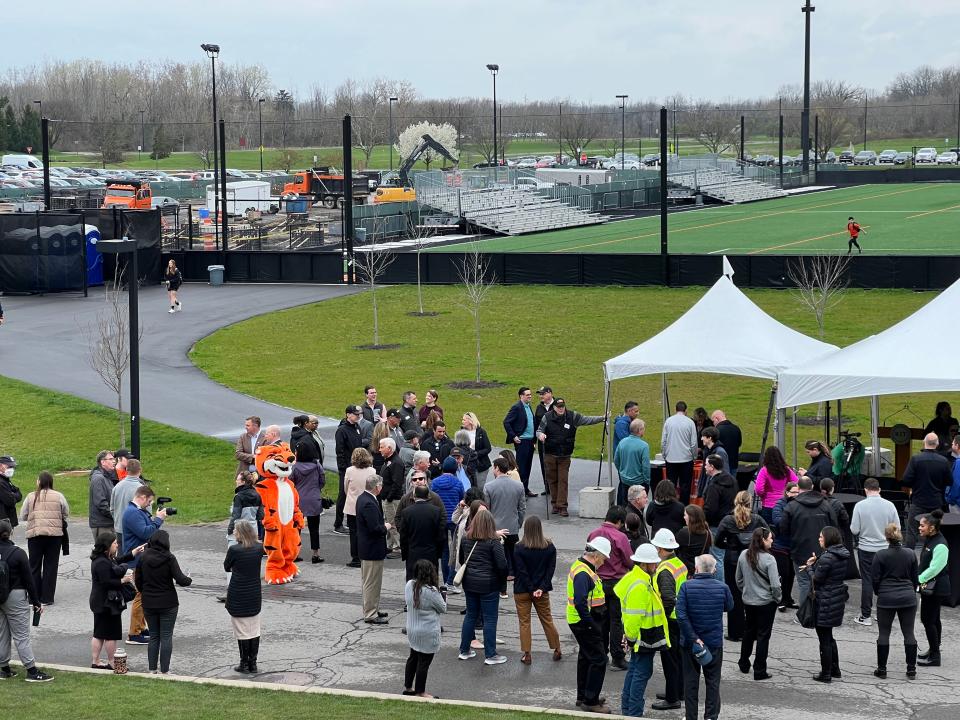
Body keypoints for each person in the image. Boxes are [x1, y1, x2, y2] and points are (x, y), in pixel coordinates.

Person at [675, 554, 733, 720]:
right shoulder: (723, 588)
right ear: (714, 569)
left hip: (690, 643)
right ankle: (711, 716)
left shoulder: (686, 587)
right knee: (713, 682)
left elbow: (681, 615)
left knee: (691, 683)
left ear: (697, 568)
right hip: (713, 642)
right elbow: (729, 606)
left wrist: (693, 638)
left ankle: (691, 716)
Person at [616, 543, 669, 718]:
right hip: (643, 637)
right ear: (644, 564)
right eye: (653, 563)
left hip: (641, 636)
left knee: (634, 672)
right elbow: (634, 616)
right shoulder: (641, 585)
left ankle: (627, 710)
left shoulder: (636, 577)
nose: (656, 565)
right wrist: (630, 638)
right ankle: (634, 713)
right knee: (641, 674)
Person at [0, 519, 53, 682]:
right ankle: (31, 670)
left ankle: (4, 668)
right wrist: (36, 601)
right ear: (10, 533)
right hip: (15, 595)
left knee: (2, 633)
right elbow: (29, 580)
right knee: (21, 635)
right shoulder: (17, 553)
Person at [135, 530, 192, 674]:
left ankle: (152, 669)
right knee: (166, 636)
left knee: (154, 636)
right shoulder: (169, 558)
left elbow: (138, 582)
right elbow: (181, 580)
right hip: (168, 602)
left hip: (149, 602)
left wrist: (146, 592)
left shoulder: (143, 558)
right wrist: (189, 578)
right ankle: (165, 671)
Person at [457, 508, 509, 665]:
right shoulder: (493, 542)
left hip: (469, 583)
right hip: (489, 584)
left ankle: (464, 650)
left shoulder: (466, 538)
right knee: (490, 619)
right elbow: (502, 566)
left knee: (471, 615)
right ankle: (490, 654)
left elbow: (461, 558)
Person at [566, 537, 612, 713]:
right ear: (597, 556)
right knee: (599, 659)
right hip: (584, 622)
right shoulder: (584, 573)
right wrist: (591, 624)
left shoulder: (582, 568)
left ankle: (583, 696)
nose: (605, 561)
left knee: (586, 657)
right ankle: (590, 701)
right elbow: (580, 602)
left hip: (581, 621)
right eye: (604, 558)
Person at [716, 491, 769, 642]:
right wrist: (757, 545)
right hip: (753, 558)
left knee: (734, 594)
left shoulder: (728, 520)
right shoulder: (757, 519)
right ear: (749, 503)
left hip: (733, 559)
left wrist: (729, 545)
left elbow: (718, 540)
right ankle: (754, 630)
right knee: (755, 592)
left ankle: (735, 631)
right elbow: (769, 535)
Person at [587, 506, 634, 672]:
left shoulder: (593, 534)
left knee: (600, 620)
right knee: (616, 621)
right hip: (616, 583)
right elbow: (629, 561)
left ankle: (601, 653)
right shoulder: (620, 537)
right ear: (620, 522)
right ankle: (618, 657)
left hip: (597, 582)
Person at [779, 476, 838, 607]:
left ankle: (805, 614)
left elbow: (783, 529)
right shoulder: (825, 504)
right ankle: (820, 610)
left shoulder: (791, 506)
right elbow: (834, 526)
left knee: (804, 582)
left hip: (800, 551)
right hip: (823, 551)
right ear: (812, 487)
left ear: (798, 488)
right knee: (823, 581)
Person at [89, 531, 144, 669]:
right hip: (106, 603)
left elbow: (118, 561)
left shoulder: (105, 558)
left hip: (100, 602)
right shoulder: (102, 562)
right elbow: (106, 582)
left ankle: (95, 661)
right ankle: (111, 662)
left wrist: (133, 553)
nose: (117, 545)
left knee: (99, 633)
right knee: (110, 634)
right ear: (107, 545)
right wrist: (123, 580)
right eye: (114, 543)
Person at [871, 522, 919, 679]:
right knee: (909, 632)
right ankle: (911, 669)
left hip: (886, 596)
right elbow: (914, 578)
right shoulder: (910, 554)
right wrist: (911, 591)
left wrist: (880, 592)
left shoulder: (880, 555)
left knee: (884, 633)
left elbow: (875, 579)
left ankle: (882, 669)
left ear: (886, 537)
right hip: (908, 597)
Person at [850, 477, 900, 626]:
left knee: (867, 581)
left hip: (866, 548)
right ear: (879, 489)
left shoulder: (860, 505)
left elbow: (854, 529)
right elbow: (896, 527)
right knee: (885, 580)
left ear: (866, 490)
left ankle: (866, 615)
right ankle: (883, 613)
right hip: (885, 549)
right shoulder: (890, 505)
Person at [122, 484, 167, 645]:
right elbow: (146, 533)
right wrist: (158, 520)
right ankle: (134, 633)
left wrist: (154, 519)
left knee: (144, 594)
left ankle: (140, 627)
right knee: (141, 595)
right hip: (136, 560)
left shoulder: (137, 511)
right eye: (149, 501)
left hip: (141, 559)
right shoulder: (132, 513)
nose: (150, 504)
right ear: (142, 497)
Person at [804, 526, 849, 682]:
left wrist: (810, 568)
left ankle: (826, 673)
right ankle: (835, 669)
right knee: (829, 636)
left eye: (821, 537)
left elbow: (817, 579)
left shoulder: (827, 557)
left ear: (828, 539)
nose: (819, 539)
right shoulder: (840, 554)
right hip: (835, 597)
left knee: (824, 638)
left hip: (825, 599)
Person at [513, 515, 561, 665]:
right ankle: (557, 648)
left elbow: (521, 570)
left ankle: (527, 654)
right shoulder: (549, 547)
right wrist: (541, 587)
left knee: (524, 622)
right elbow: (550, 569)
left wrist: (531, 588)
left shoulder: (519, 547)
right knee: (547, 619)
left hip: (522, 590)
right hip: (542, 590)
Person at [736, 527, 781, 680]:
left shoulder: (744, 555)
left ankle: (743, 662)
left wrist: (747, 590)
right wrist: (778, 598)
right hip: (766, 602)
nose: (772, 540)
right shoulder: (769, 560)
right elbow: (775, 585)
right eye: (770, 538)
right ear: (763, 540)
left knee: (749, 631)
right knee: (763, 635)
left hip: (749, 600)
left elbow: (739, 580)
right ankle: (759, 669)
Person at [650, 528, 688, 712]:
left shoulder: (665, 570)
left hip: (670, 620)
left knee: (670, 660)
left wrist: (661, 620)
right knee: (678, 659)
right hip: (680, 617)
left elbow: (668, 599)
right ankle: (677, 691)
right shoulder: (678, 563)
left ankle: (672, 698)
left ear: (661, 549)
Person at [19, 471, 69, 605]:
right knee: (51, 566)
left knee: (34, 566)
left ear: (39, 482)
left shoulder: (31, 496)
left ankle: (33, 597)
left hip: (35, 534)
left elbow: (23, 515)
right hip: (54, 536)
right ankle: (47, 598)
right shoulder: (59, 496)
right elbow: (65, 512)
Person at [224, 519, 265, 674]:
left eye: (235, 530)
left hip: (238, 592)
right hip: (254, 592)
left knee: (241, 630)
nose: (233, 532)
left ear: (240, 533)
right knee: (254, 629)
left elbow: (226, 566)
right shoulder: (258, 548)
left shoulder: (235, 550)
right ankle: (253, 663)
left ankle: (244, 663)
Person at [901, 433, 952, 549]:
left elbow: (906, 480)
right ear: (937, 444)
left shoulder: (915, 459)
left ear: (924, 442)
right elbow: (950, 481)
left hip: (918, 501)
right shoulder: (943, 461)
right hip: (936, 502)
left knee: (912, 531)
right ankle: (935, 554)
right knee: (936, 530)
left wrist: (915, 484)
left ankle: (910, 559)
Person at [404, 559, 446, 698]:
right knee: (424, 662)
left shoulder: (410, 585)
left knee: (413, 657)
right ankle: (420, 691)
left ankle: (409, 687)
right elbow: (442, 608)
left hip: (412, 629)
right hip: (427, 631)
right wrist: (442, 594)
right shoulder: (431, 592)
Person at [484, 457, 526, 585]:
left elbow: (486, 509)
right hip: (512, 525)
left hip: (495, 528)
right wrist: (518, 523)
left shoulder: (489, 486)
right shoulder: (519, 485)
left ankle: (502, 574)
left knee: (498, 553)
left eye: (493, 467)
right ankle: (513, 573)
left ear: (497, 468)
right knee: (513, 551)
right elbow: (522, 508)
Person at [356, 474, 391, 625]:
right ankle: (370, 613)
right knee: (372, 583)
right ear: (377, 487)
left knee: (371, 582)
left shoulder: (363, 498)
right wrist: (386, 527)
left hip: (367, 548)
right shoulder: (369, 503)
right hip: (371, 549)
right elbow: (374, 528)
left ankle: (373, 608)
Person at [917, 510, 950, 667]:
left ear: (931, 527)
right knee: (934, 619)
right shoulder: (930, 539)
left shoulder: (941, 544)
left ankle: (935, 656)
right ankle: (933, 648)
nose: (919, 528)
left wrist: (919, 579)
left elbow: (935, 568)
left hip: (936, 588)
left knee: (928, 620)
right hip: (931, 586)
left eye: (922, 525)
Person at [290, 429, 324, 564]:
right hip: (314, 499)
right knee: (314, 529)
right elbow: (322, 480)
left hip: (299, 500)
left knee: (297, 528)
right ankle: (316, 554)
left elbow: (291, 483)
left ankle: (295, 553)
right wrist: (316, 489)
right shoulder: (316, 465)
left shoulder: (295, 467)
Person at [399, 485, 445, 582]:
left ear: (414, 495)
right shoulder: (436, 511)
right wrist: (438, 552)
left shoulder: (407, 512)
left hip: (413, 553)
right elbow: (441, 535)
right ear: (428, 495)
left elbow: (403, 535)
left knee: (413, 582)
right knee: (431, 581)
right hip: (431, 552)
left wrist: (405, 554)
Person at [701, 454, 736, 583]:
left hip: (716, 525)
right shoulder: (731, 480)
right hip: (730, 522)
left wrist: (703, 518)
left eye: (706, 464)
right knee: (724, 556)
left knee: (716, 557)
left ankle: (719, 586)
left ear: (712, 467)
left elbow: (711, 508)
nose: (704, 466)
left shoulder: (714, 485)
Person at [432, 456, 465, 586]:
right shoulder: (458, 483)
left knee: (444, 550)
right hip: (454, 520)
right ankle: (451, 579)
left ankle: (445, 579)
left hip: (440, 518)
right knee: (455, 550)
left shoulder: (435, 482)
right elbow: (462, 499)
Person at [344, 447, 376, 568]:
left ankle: (355, 557)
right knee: (367, 531)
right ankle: (365, 554)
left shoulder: (349, 470)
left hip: (353, 505)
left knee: (354, 532)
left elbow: (345, 487)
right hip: (368, 504)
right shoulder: (372, 471)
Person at [503, 386, 538, 497]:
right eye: (527, 395)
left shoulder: (528, 406)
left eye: (530, 394)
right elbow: (506, 422)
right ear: (521, 396)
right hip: (522, 441)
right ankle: (520, 491)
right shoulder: (517, 407)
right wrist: (513, 436)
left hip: (530, 441)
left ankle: (525, 489)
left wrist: (534, 440)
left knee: (528, 466)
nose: (530, 396)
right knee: (521, 467)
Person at [333, 405, 364, 535]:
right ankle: (338, 523)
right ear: (348, 414)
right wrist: (343, 468)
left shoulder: (357, 428)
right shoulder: (342, 430)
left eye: (359, 414)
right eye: (356, 414)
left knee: (355, 493)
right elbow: (339, 451)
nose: (358, 416)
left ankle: (350, 521)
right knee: (343, 494)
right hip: (346, 468)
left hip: (357, 466)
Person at [771, 482, 800, 611]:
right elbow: (777, 520)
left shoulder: (798, 505)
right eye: (793, 492)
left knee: (792, 573)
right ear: (787, 492)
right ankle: (781, 599)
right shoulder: (779, 505)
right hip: (781, 545)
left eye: (797, 492)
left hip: (793, 545)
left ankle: (788, 598)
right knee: (784, 573)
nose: (795, 495)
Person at [661, 401, 698, 504]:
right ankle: (684, 507)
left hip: (671, 458)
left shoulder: (668, 421)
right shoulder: (690, 422)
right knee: (685, 486)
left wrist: (664, 454)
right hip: (686, 459)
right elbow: (694, 443)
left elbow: (663, 441)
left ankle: (670, 505)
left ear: (675, 409)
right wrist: (694, 456)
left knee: (670, 485)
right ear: (685, 411)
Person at [754, 446, 798, 522]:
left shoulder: (764, 470)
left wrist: (763, 496)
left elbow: (758, 489)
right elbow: (797, 482)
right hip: (785, 504)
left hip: (768, 505)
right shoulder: (786, 470)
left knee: (769, 531)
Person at [614, 418, 650, 507]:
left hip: (625, 480)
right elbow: (646, 466)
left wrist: (621, 471)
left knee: (626, 504)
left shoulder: (622, 442)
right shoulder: (644, 446)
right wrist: (647, 480)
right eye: (643, 429)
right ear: (639, 430)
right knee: (639, 506)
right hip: (639, 481)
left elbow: (616, 460)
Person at [379, 437, 405, 556]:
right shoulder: (389, 461)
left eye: (381, 447)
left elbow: (397, 483)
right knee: (388, 522)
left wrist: (389, 497)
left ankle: (398, 546)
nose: (379, 450)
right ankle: (390, 545)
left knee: (393, 523)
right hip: (387, 498)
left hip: (392, 499)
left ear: (389, 448)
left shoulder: (396, 463)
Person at [110, 458, 146, 545]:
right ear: (140, 470)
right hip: (136, 530)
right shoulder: (142, 489)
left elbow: (112, 509)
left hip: (120, 528)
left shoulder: (117, 487)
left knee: (121, 555)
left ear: (126, 469)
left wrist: (117, 521)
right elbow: (147, 512)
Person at [88, 450, 118, 541]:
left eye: (114, 459)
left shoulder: (107, 477)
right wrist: (115, 515)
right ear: (103, 462)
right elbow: (101, 503)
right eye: (111, 459)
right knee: (103, 552)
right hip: (102, 524)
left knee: (111, 553)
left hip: (108, 523)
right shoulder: (98, 478)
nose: (114, 461)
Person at [676, 504, 712, 576]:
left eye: (685, 515)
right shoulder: (707, 533)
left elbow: (675, 550)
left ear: (691, 518)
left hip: (682, 569)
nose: (684, 517)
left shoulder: (684, 533)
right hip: (698, 570)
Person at [461, 412, 493, 488]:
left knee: (479, 488)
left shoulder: (481, 432)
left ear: (470, 421)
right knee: (467, 487)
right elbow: (458, 447)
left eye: (464, 420)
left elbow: (488, 448)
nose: (462, 421)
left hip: (480, 465)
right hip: (466, 465)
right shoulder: (462, 432)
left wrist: (476, 453)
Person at [695, 427, 727, 495]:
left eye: (703, 436)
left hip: (715, 492)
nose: (701, 439)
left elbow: (724, 473)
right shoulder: (707, 451)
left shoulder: (720, 452)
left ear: (709, 438)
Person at [534, 386, 556, 485]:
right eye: (540, 394)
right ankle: (547, 487)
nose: (541, 396)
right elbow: (536, 425)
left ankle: (556, 486)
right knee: (544, 463)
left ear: (550, 393)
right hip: (542, 441)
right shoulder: (539, 407)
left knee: (556, 464)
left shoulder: (558, 405)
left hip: (556, 441)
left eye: (543, 394)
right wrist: (534, 441)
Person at [0, 455, 22, 529]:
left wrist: (13, 495)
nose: (11, 469)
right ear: (0, 466)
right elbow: (10, 501)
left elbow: (19, 494)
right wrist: (13, 495)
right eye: (9, 467)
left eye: (13, 467)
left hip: (6, 522)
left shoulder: (6, 480)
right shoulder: (1, 482)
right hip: (3, 523)